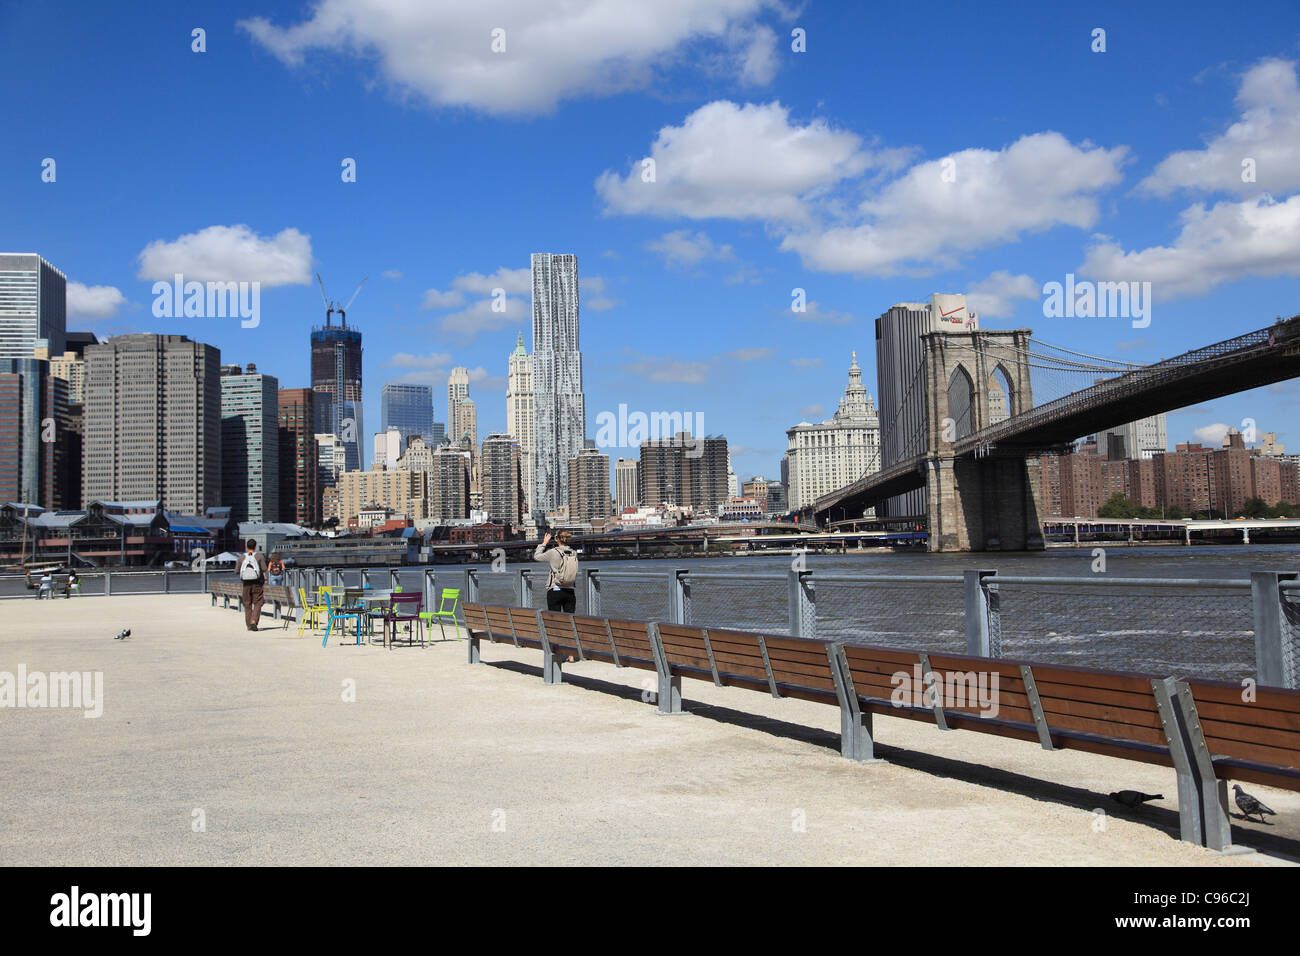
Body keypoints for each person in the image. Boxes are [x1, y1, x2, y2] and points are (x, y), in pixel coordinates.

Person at [533, 530, 578, 612]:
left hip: (555, 589)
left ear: (557, 539)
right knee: (570, 620)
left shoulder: (553, 552)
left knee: (555, 620)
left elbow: (537, 557)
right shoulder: (574, 553)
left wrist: (544, 543)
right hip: (570, 590)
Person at [237, 539, 269, 631]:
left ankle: (249, 625)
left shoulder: (241, 557)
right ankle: (254, 621)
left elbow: (236, 571)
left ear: (247, 547)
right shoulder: (259, 556)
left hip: (246, 584)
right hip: (257, 583)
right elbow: (264, 568)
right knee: (258, 602)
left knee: (247, 604)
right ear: (255, 546)